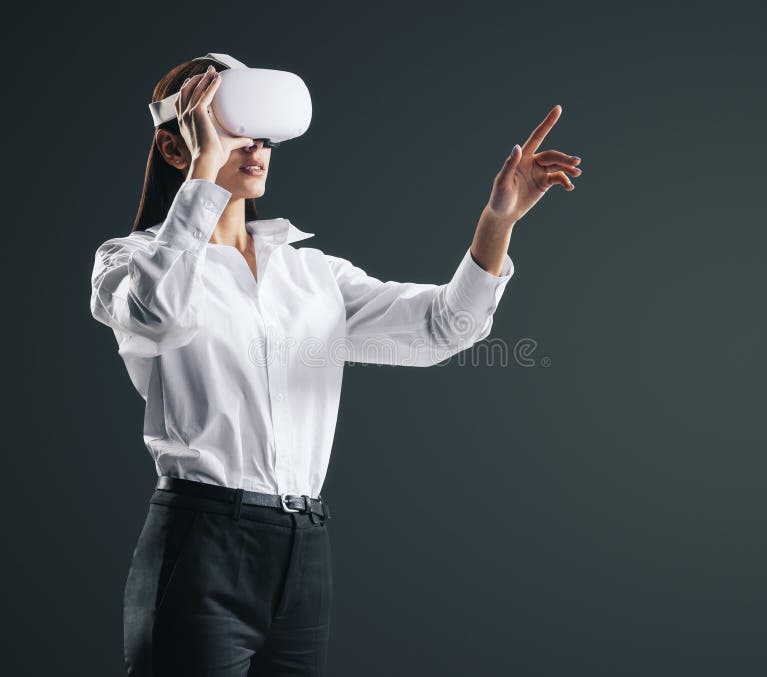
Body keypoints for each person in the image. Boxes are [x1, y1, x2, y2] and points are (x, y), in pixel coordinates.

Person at [89, 55, 581, 677]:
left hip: (304, 549)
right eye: (231, 128)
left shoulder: (311, 272)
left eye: (264, 135)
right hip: (201, 540)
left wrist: (498, 221)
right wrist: (204, 179)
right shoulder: (128, 263)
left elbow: (440, 329)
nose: (256, 148)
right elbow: (160, 315)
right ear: (175, 144)